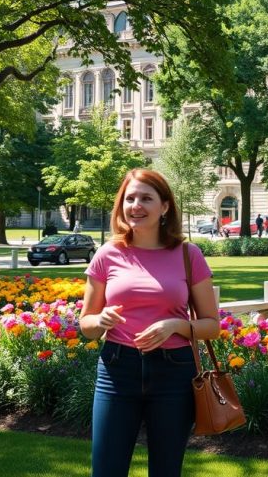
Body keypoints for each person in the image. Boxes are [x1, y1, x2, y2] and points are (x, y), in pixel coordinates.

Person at [80, 168, 219, 477]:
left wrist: (176, 326)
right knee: (106, 471)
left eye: (146, 198)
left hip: (174, 372)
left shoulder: (188, 254)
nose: (136, 206)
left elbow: (212, 325)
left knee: (166, 472)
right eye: (130, 198)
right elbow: (86, 326)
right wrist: (99, 319)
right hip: (117, 370)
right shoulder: (107, 254)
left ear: (165, 206)